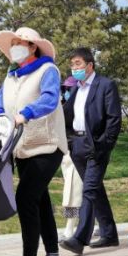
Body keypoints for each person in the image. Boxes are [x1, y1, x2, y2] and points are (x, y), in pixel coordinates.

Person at [0, 26, 68, 256]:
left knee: (25, 198)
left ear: (33, 46)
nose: (15, 47)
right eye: (12, 43)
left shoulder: (48, 71)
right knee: (40, 200)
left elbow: (49, 99)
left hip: (47, 145)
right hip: (22, 147)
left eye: (20, 43)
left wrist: (26, 113)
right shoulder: (11, 77)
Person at [60, 47, 122, 255]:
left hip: (96, 146)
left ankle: (79, 238)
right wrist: (69, 141)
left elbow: (114, 119)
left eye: (77, 64)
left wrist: (105, 145)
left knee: (88, 190)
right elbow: (68, 117)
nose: (74, 68)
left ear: (90, 65)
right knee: (95, 190)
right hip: (76, 146)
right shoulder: (75, 89)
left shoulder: (106, 85)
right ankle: (109, 234)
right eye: (72, 64)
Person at [59, 76, 82, 240]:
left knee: (72, 193)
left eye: (69, 89)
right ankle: (97, 224)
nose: (66, 92)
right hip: (64, 152)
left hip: (78, 151)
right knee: (75, 191)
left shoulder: (81, 107)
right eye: (65, 89)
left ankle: (70, 227)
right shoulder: (61, 106)